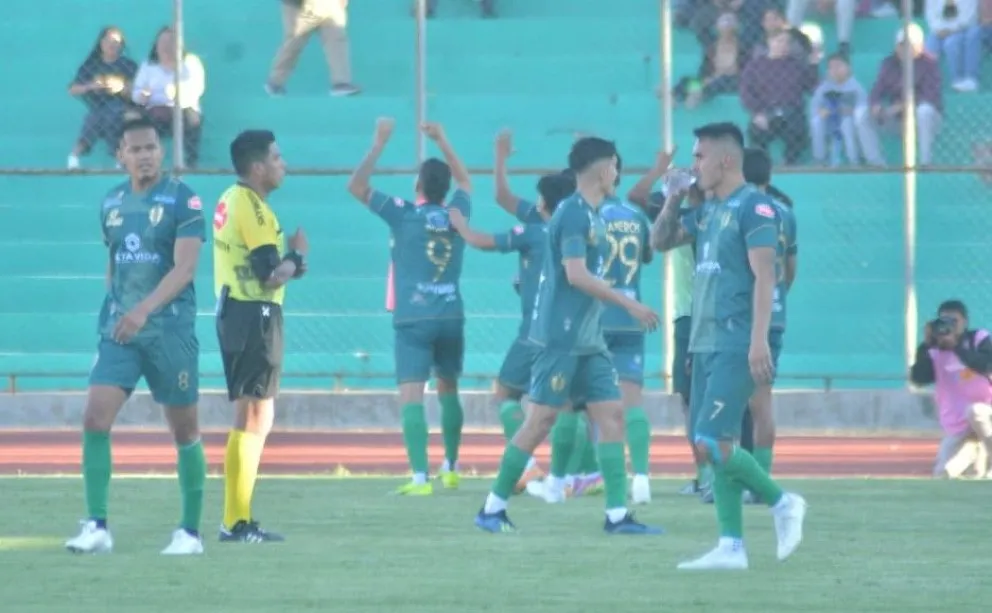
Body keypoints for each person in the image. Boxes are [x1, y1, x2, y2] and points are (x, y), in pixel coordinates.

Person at [474, 137, 662, 535]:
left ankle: (617, 516)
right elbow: (575, 274)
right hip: (561, 338)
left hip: (588, 340)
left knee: (611, 416)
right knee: (540, 420)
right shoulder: (573, 214)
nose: (616, 173)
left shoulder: (594, 215)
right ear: (600, 167)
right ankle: (492, 508)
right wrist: (630, 305)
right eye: (614, 166)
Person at [650, 121, 806, 570]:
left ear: (725, 159)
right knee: (711, 442)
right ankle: (731, 546)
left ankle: (782, 503)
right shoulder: (709, 209)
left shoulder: (755, 209)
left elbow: (767, 276)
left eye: (698, 156)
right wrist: (675, 195)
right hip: (706, 337)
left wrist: (759, 341)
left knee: (711, 439)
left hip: (740, 336)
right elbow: (659, 241)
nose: (692, 164)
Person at [65, 117, 206, 556]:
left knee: (184, 431)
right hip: (121, 331)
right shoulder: (111, 203)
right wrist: (113, 312)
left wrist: (144, 310)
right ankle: (97, 526)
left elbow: (184, 270)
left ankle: (189, 533)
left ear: (162, 152)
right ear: (121, 155)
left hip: (169, 332)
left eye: (151, 147)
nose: (145, 155)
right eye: (136, 149)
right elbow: (116, 264)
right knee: (94, 418)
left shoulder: (185, 199)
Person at [347, 118, 471, 495]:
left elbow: (356, 186)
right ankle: (450, 466)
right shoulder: (456, 214)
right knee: (449, 389)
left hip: (415, 317)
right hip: (451, 313)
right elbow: (466, 182)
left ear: (418, 186)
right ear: (445, 189)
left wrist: (379, 142)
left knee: (412, 396)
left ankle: (420, 477)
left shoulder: (402, 212)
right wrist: (444, 138)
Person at [447, 139, 575, 492]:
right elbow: (505, 198)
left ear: (545, 204)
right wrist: (501, 158)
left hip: (534, 332)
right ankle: (572, 477)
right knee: (568, 404)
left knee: (505, 394)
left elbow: (480, 240)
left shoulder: (532, 231)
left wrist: (459, 223)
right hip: (570, 331)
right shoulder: (577, 230)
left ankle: (528, 465)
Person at [213, 130, 307, 543]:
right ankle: (236, 521)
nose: (282, 163)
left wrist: (288, 265)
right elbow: (269, 275)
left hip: (243, 312)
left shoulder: (239, 200)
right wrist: (296, 256)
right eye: (277, 156)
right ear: (257, 167)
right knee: (256, 414)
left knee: (253, 414)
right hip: (253, 312)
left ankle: (238, 518)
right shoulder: (248, 204)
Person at [627, 151, 706, 498]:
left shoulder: (699, 217)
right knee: (690, 399)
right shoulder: (676, 211)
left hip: (696, 314)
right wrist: (661, 171)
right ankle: (704, 474)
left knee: (702, 400)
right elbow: (636, 197)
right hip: (685, 316)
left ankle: (713, 474)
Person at [738, 147, 798, 505]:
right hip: (775, 316)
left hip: (743, 316)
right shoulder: (786, 213)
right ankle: (760, 475)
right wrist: (775, 298)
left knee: (738, 403)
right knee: (762, 403)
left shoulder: (740, 210)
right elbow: (790, 269)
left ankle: (750, 481)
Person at [910, 300, 992, 479]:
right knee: (943, 474)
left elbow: (987, 365)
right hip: (958, 425)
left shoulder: (978, 339)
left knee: (976, 411)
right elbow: (919, 379)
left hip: (987, 413)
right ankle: (976, 455)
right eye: (944, 321)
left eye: (954, 321)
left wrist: (956, 347)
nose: (949, 326)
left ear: (965, 322)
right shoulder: (933, 349)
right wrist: (926, 345)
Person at [131, 26, 206, 168]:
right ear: (156, 46)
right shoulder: (148, 66)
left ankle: (190, 163)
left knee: (192, 117)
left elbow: (197, 88)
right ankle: (141, 162)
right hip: (155, 109)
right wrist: (142, 96)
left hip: (183, 107)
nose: (166, 46)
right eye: (162, 42)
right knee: (133, 118)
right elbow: (136, 93)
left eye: (171, 42)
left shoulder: (190, 62)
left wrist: (174, 94)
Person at [67, 26, 138, 170]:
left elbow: (138, 91)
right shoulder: (92, 65)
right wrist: (91, 86)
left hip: (122, 105)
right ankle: (74, 157)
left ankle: (119, 158)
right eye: (108, 40)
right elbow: (72, 89)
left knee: (111, 114)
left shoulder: (128, 65)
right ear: (101, 43)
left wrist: (120, 88)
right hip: (98, 107)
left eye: (117, 42)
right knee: (94, 118)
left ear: (121, 45)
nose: (112, 44)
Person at [266, 0, 359, 97]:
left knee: (336, 38)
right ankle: (275, 81)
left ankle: (341, 83)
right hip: (299, 5)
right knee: (295, 41)